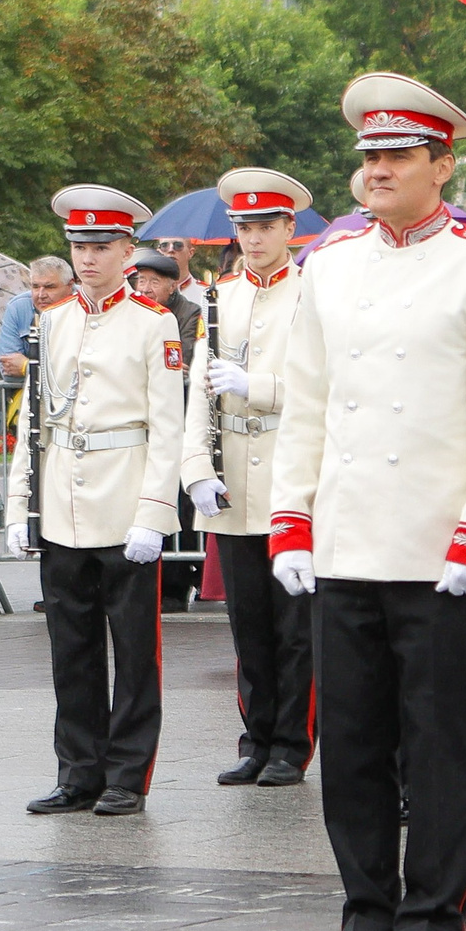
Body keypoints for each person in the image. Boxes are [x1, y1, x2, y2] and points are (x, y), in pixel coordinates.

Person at [276, 73, 466, 931]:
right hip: (346, 543)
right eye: (369, 156)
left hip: (437, 550)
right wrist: (291, 517)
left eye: (396, 156)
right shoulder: (330, 266)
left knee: (433, 747)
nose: (376, 170)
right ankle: (367, 924)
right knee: (347, 747)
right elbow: (306, 402)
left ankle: (430, 929)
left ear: (441, 162)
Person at [6, 186, 182, 818]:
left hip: (123, 500)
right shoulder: (52, 321)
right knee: (70, 649)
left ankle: (126, 775)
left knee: (134, 653)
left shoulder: (153, 323)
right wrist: (21, 501)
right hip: (62, 505)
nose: (87, 258)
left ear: (127, 250)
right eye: (79, 246)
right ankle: (78, 771)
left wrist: (154, 514)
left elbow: (168, 428)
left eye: (101, 246)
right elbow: (36, 424)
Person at [182, 169, 315, 787]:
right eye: (245, 227)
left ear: (290, 227)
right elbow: (197, 396)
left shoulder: (312, 294)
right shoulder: (221, 296)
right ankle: (255, 737)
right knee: (248, 625)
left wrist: (256, 387)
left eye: (266, 227)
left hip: (290, 469)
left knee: (295, 628)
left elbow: (326, 390)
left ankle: (292, 742)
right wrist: (195, 470)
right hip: (232, 472)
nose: (254, 238)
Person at [0, 256, 75, 379]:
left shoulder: (88, 305)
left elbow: (82, 373)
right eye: (35, 286)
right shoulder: (18, 307)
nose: (41, 295)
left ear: (70, 285)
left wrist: (26, 367)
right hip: (27, 393)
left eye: (50, 287)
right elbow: (8, 372)